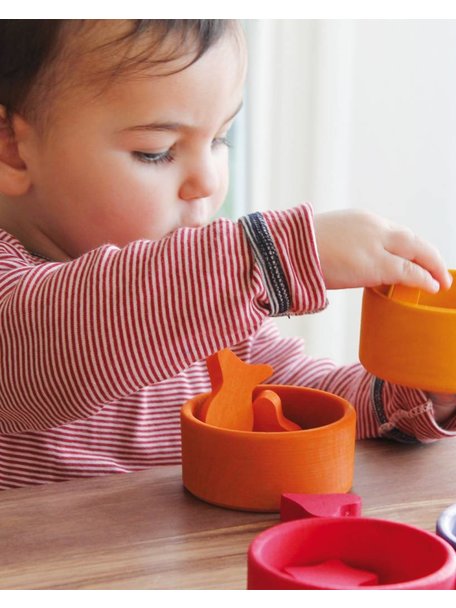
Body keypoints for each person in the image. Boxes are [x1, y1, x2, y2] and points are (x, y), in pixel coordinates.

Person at [0, 19, 454, 490]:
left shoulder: (208, 303)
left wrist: (416, 392)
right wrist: (278, 255)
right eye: (156, 151)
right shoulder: (39, 311)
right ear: (12, 148)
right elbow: (48, 345)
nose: (212, 181)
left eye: (220, 139)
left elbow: (301, 400)